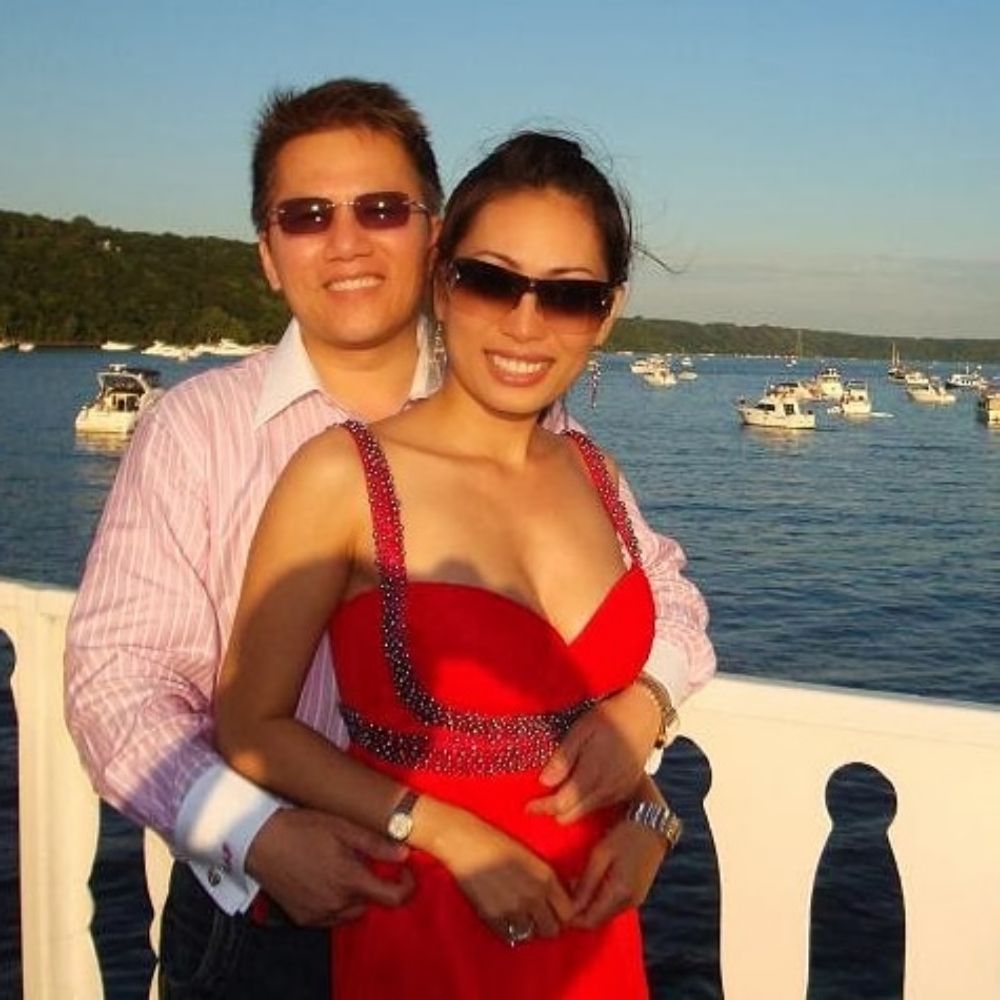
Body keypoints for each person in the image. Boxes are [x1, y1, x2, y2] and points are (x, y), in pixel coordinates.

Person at [64, 79, 714, 998]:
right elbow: (117, 684)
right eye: (306, 216)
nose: (346, 242)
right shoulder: (201, 430)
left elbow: (651, 614)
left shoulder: (548, 433)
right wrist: (259, 834)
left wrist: (646, 776)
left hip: (563, 917)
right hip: (278, 906)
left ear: (432, 237)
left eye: (379, 208)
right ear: (267, 254)